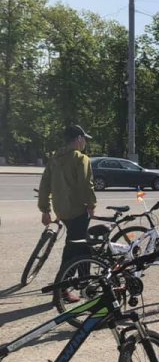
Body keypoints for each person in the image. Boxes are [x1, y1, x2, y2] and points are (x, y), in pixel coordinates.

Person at [38, 124, 97, 302]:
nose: (85, 142)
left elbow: (44, 185)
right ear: (79, 139)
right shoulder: (81, 159)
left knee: (80, 246)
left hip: (61, 211)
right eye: (84, 139)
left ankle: (83, 283)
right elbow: (86, 185)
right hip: (78, 210)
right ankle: (63, 288)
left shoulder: (54, 159)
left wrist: (45, 210)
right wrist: (92, 204)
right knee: (76, 249)